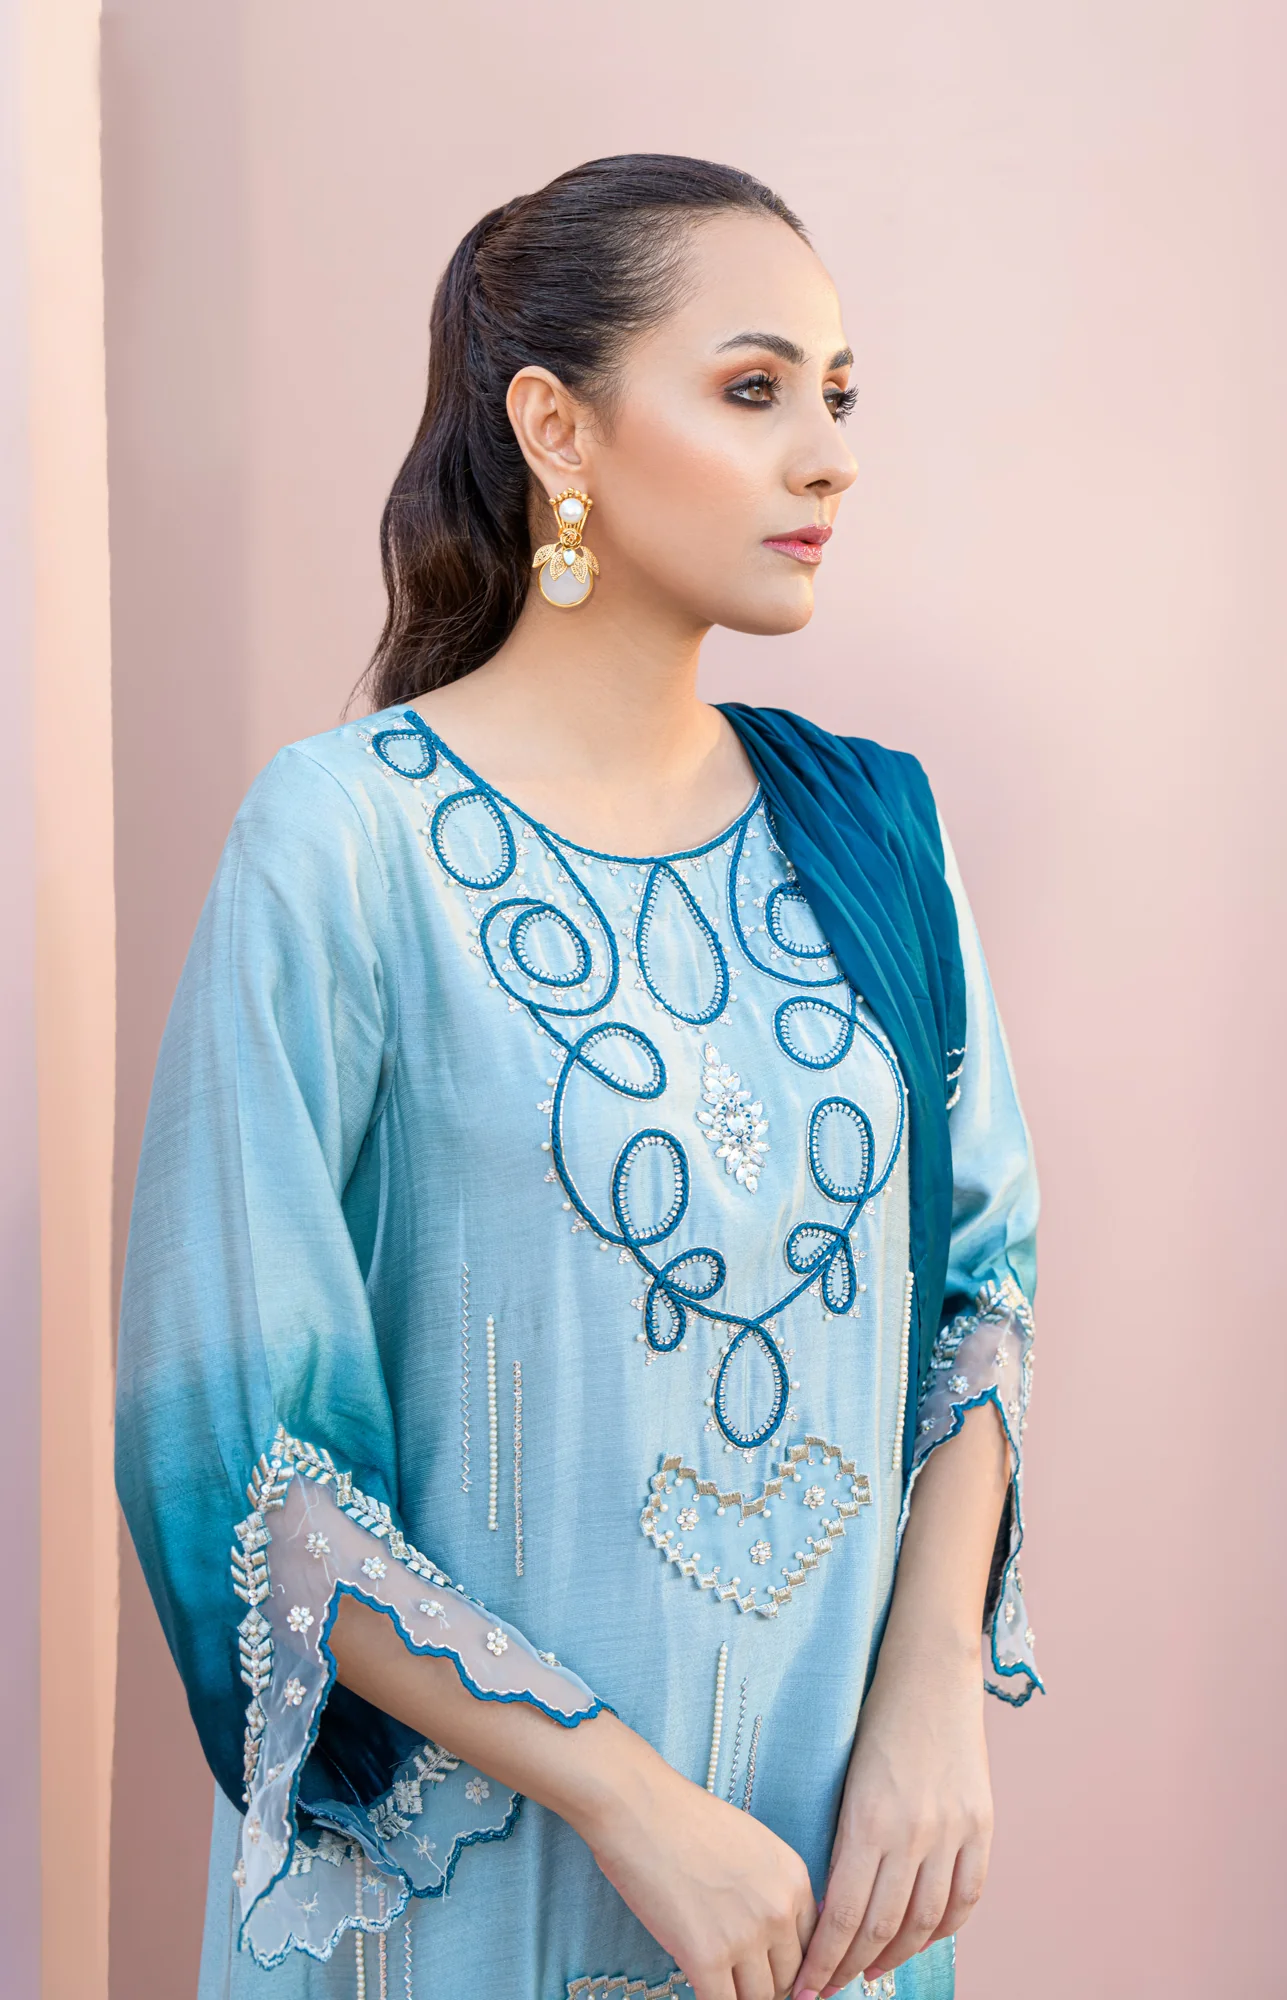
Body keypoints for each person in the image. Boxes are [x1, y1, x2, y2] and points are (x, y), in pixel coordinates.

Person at [116, 153, 1040, 2000]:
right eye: (755, 389)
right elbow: (249, 1462)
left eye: (839, 397)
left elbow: (980, 1290)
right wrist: (625, 1796)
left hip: (822, 1891)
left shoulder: (876, 834)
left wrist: (937, 1689)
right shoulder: (345, 841)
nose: (830, 459)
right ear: (558, 428)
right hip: (467, 1899)